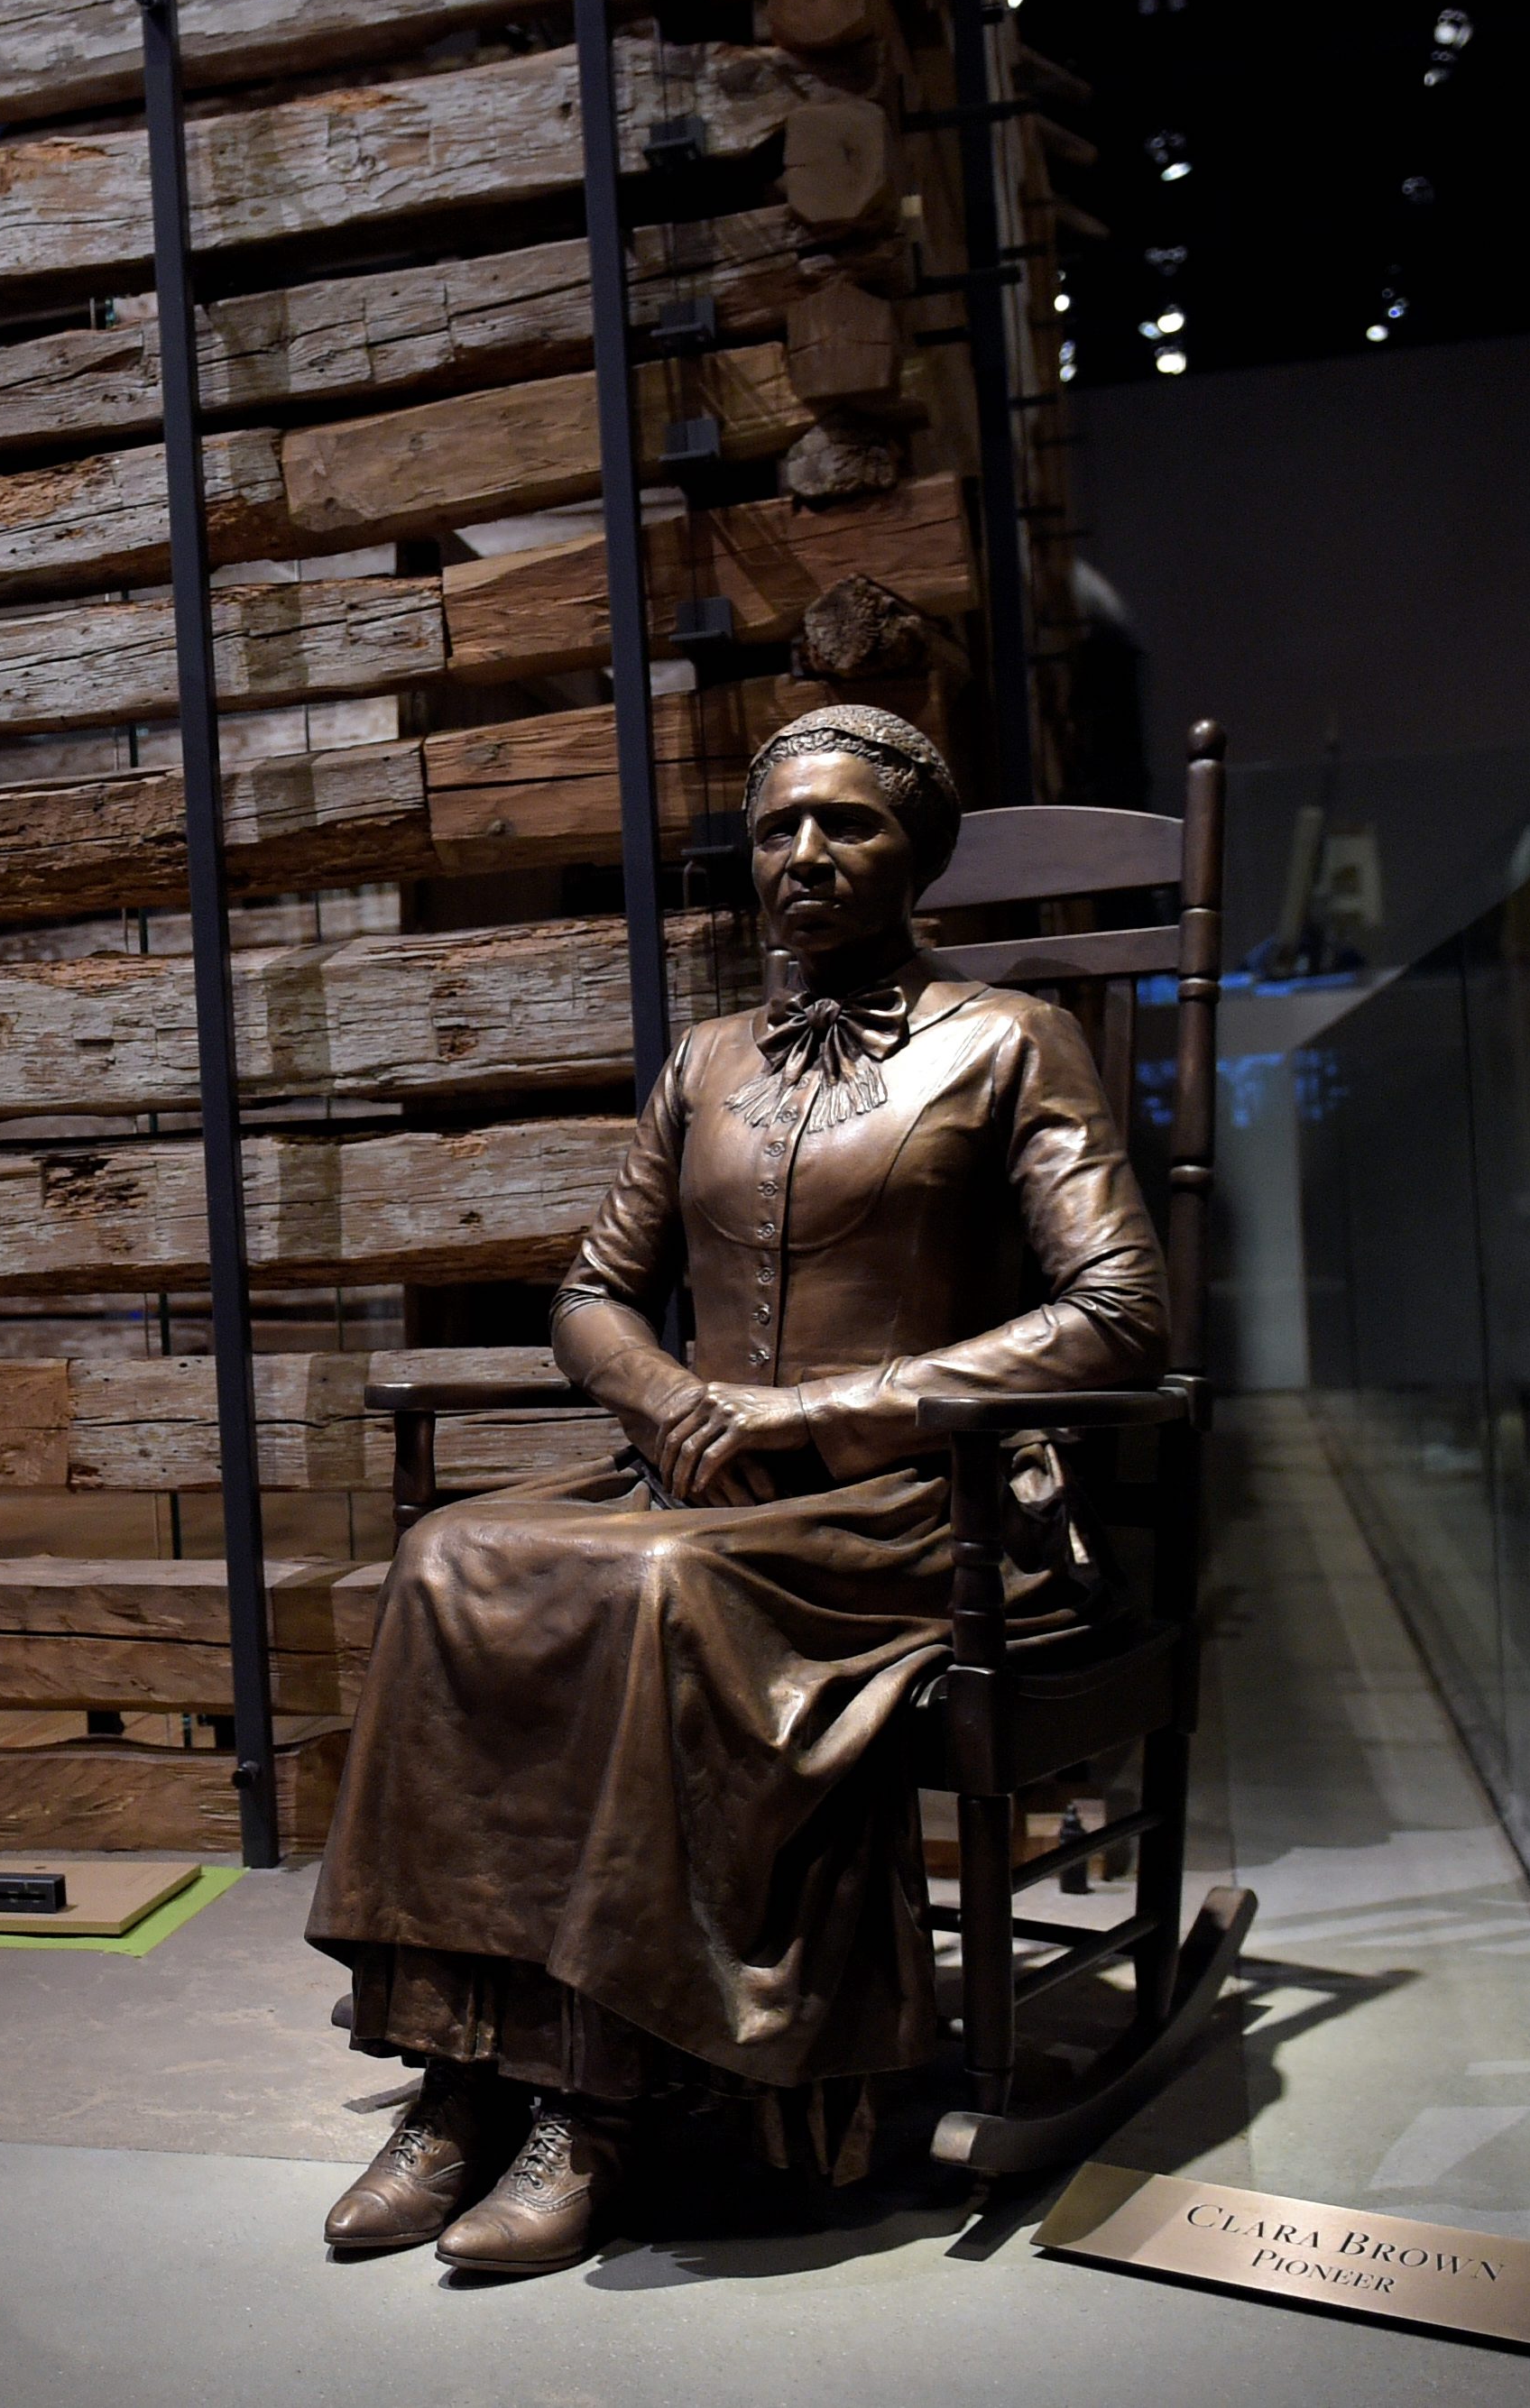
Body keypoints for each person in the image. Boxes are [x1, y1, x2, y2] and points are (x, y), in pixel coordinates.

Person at [307, 703, 1168, 2275]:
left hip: (919, 1507)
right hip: (696, 1473)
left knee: (658, 1589)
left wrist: (821, 1412)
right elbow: (590, 1292)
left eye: (847, 825)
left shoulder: (1007, 1043)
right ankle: (461, 2077)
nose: (806, 856)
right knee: (449, 1557)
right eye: (778, 829)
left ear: (919, 855)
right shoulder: (702, 1062)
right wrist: (673, 1397)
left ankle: (612, 2100)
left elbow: (1119, 1313)